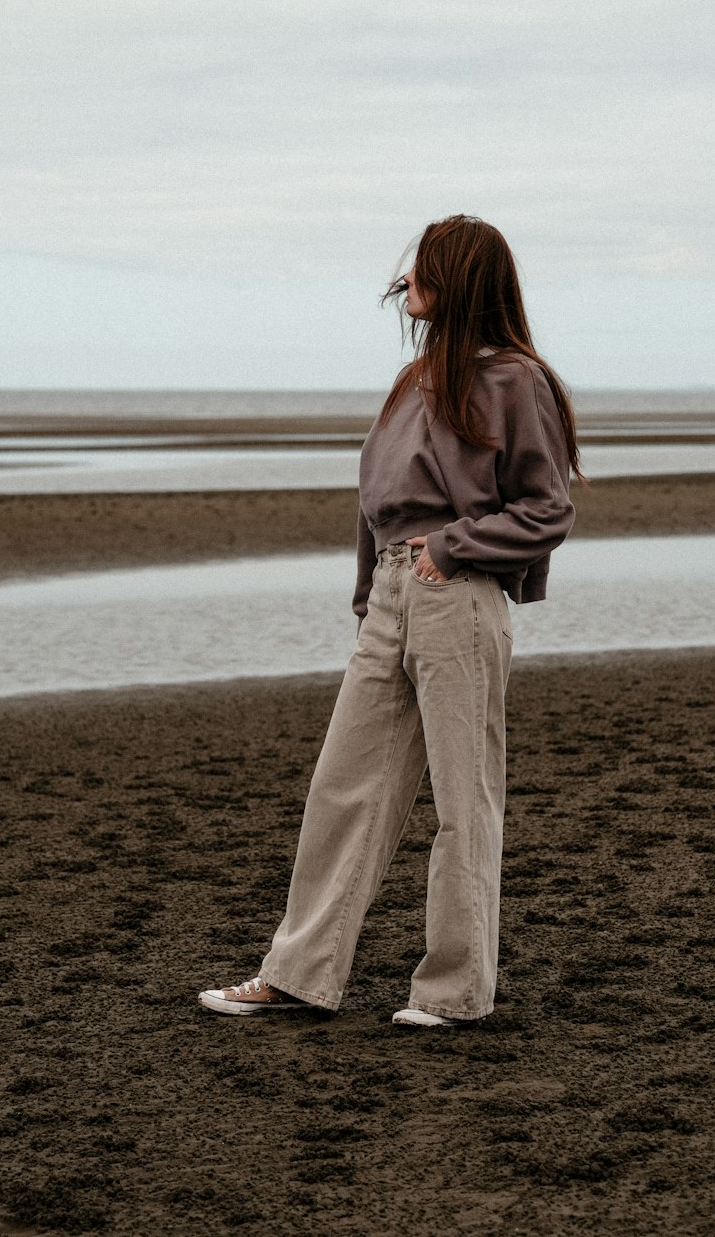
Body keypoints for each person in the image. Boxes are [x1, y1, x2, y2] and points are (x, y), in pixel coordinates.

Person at [201, 214, 581, 1026]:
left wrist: (454, 545)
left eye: (425, 269)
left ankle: (453, 993)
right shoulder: (413, 383)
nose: (408, 281)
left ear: (461, 281)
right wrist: (369, 593)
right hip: (394, 596)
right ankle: (299, 974)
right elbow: (372, 500)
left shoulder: (516, 380)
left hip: (459, 591)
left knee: (462, 800)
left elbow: (548, 507)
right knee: (343, 788)